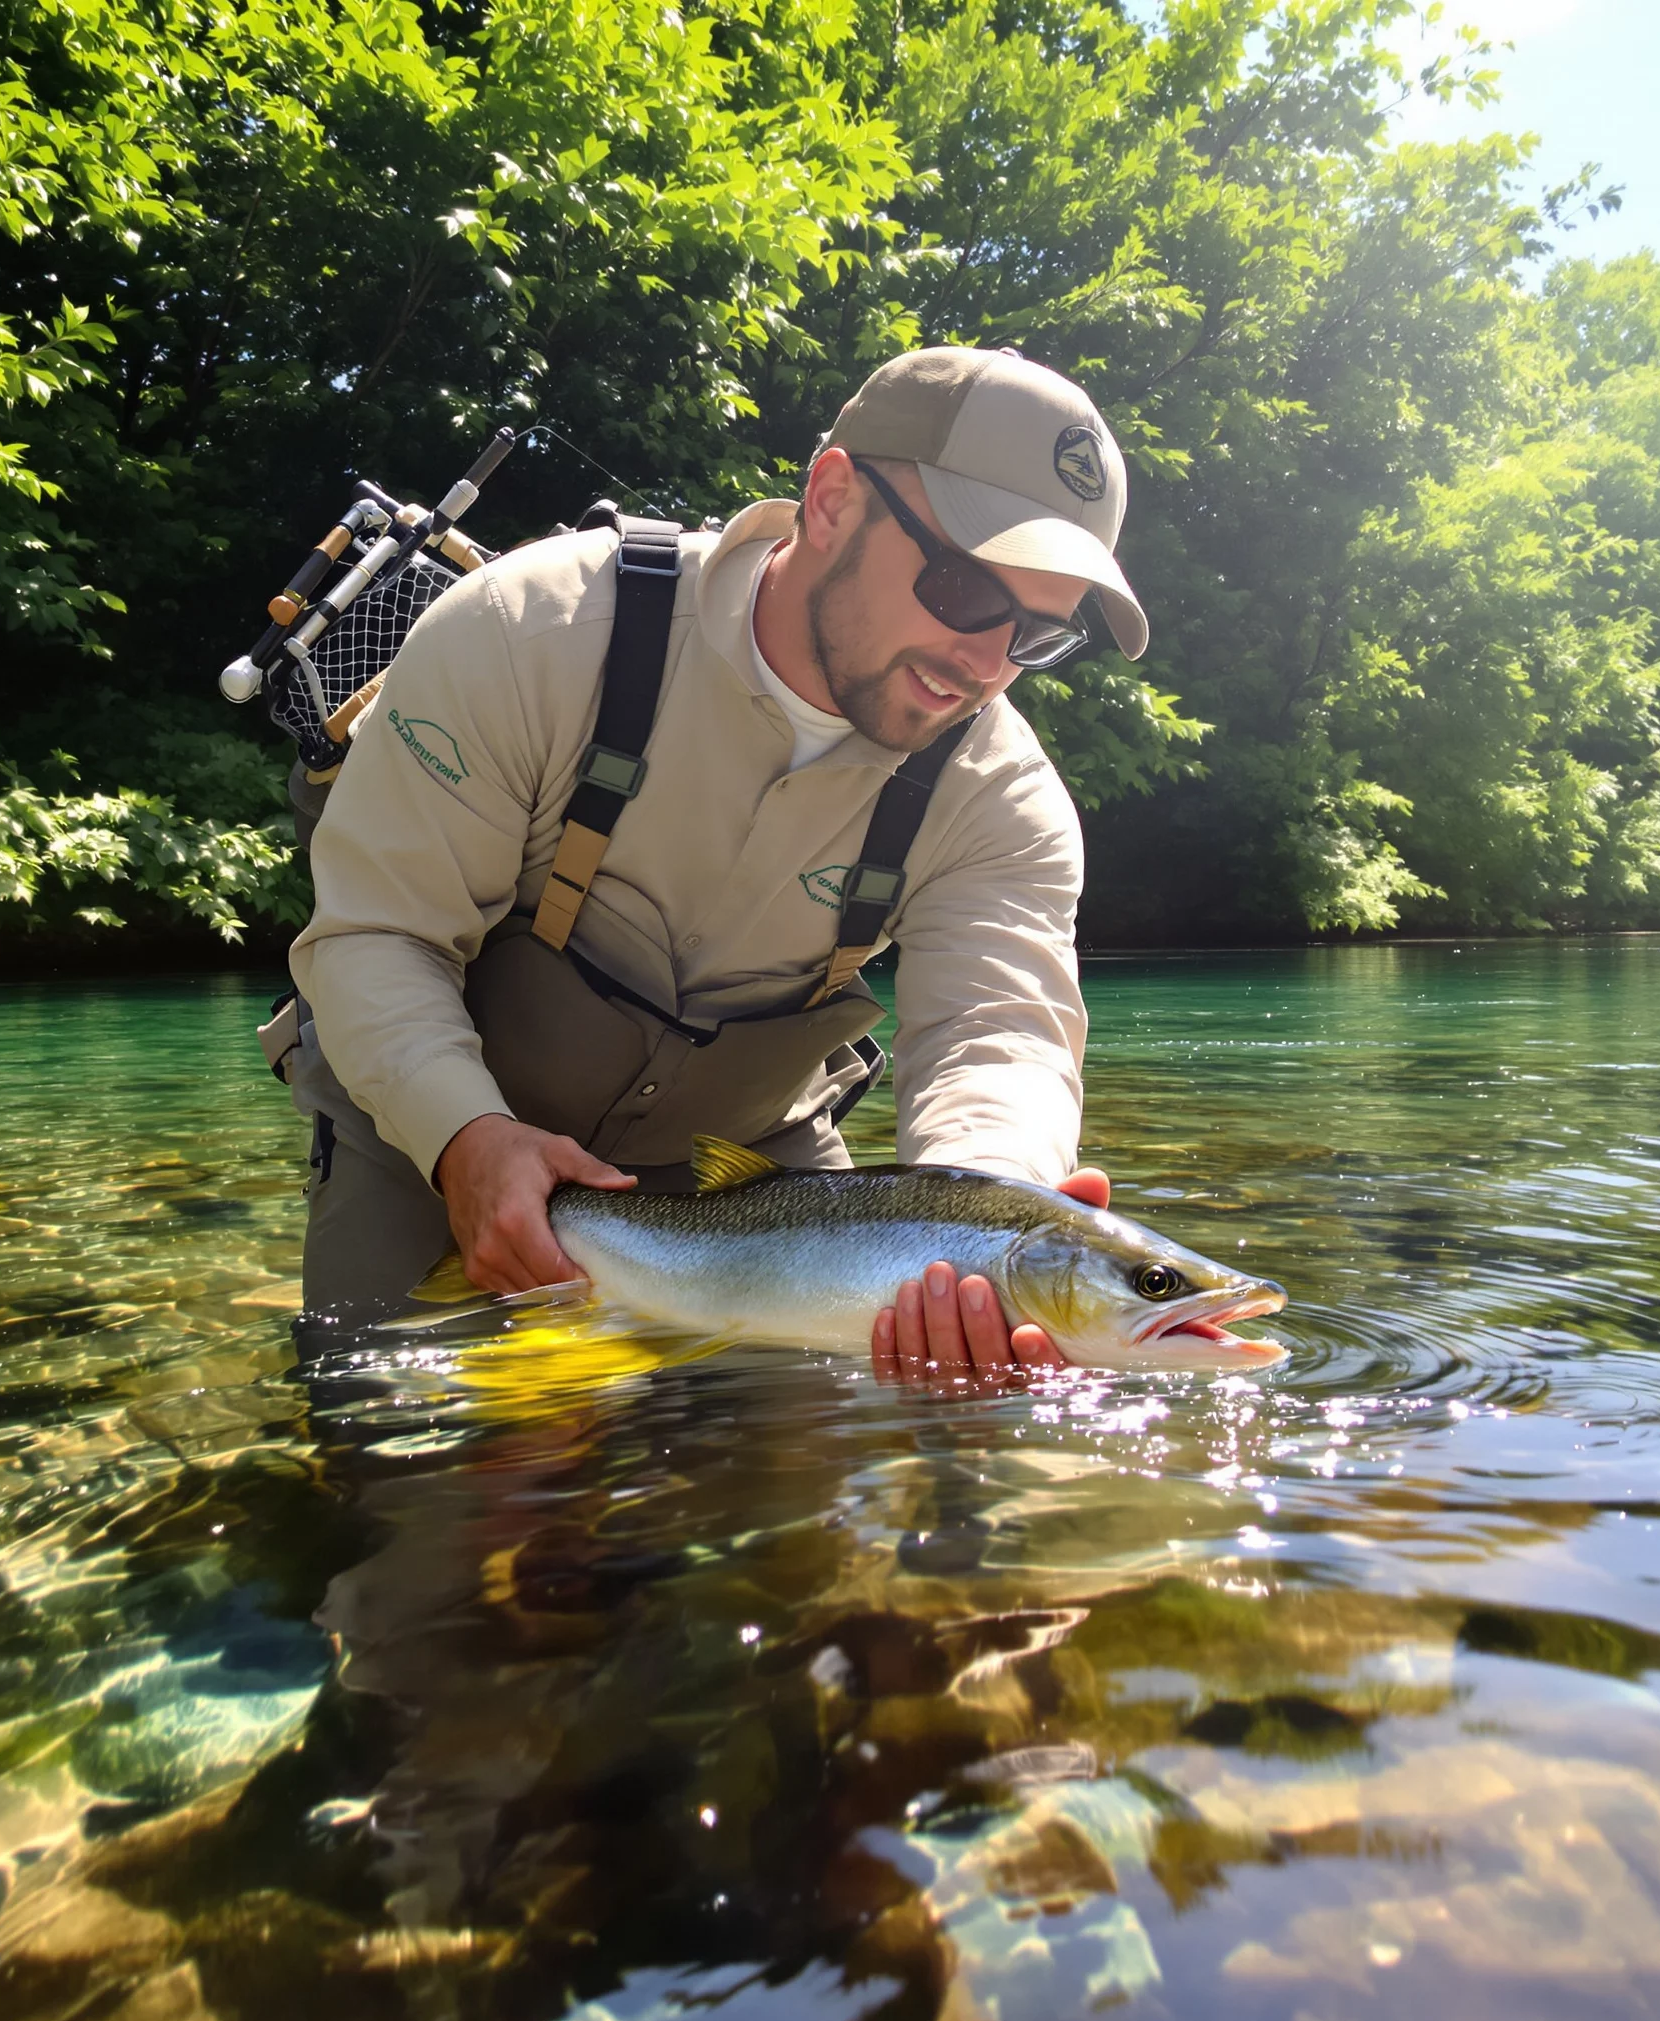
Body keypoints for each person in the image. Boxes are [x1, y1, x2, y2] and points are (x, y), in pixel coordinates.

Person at [285, 345, 1150, 1382]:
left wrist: (986, 1226)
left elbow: (996, 1033)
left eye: (1039, 632)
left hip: (748, 1178)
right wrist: (463, 1136)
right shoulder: (533, 632)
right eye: (964, 588)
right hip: (426, 1117)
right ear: (830, 498)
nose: (987, 660)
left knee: (800, 1530)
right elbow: (380, 937)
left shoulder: (1001, 799)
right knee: (404, 1470)